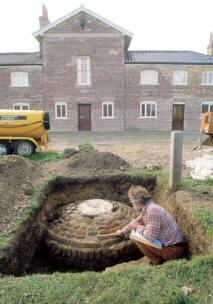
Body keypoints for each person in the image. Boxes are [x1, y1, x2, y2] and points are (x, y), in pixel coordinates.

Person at [115, 185, 188, 265]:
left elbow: (150, 237)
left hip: (174, 251)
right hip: (173, 247)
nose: (132, 205)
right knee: (137, 232)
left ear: (136, 202)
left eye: (132, 202)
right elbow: (136, 222)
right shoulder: (148, 207)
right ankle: (158, 258)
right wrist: (123, 231)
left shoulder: (152, 211)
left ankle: (157, 260)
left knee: (135, 235)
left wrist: (137, 226)